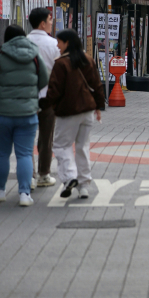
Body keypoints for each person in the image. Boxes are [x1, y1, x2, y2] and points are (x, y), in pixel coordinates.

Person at [0, 25, 48, 207]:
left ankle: (1, 191)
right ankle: (24, 194)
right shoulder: (35, 55)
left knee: (2, 154)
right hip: (27, 114)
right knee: (25, 154)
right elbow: (44, 78)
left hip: (1, 113)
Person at [40, 28, 104, 199]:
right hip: (88, 111)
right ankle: (84, 186)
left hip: (68, 112)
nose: (57, 46)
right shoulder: (88, 59)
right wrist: (98, 106)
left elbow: (54, 91)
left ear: (67, 42)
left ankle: (70, 178)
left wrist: (43, 105)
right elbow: (97, 85)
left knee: (61, 146)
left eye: (59, 42)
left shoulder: (61, 64)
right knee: (82, 148)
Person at [27, 7, 60, 188]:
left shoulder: (24, 42)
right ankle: (43, 174)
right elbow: (58, 73)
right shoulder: (54, 45)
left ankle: (29, 175)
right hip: (48, 96)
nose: (51, 22)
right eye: (49, 19)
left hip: (27, 96)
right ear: (42, 23)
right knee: (46, 137)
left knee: (26, 137)